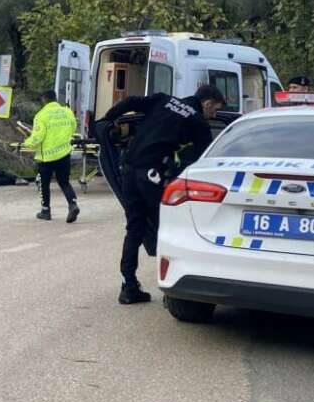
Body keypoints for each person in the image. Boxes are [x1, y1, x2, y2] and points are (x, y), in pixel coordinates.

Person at [101, 84, 225, 304]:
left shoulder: (163, 99)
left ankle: (128, 286)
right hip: (152, 175)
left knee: (134, 228)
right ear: (207, 103)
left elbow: (129, 102)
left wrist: (107, 119)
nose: (212, 115)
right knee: (166, 231)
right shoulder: (197, 121)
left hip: (129, 169)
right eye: (214, 111)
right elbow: (205, 158)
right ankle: (173, 292)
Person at [23, 90, 80, 223]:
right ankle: (73, 204)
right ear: (55, 99)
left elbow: (37, 137)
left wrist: (26, 143)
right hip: (64, 153)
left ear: (44, 99)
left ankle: (45, 211)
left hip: (46, 157)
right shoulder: (67, 111)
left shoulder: (41, 115)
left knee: (44, 184)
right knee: (64, 182)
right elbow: (73, 127)